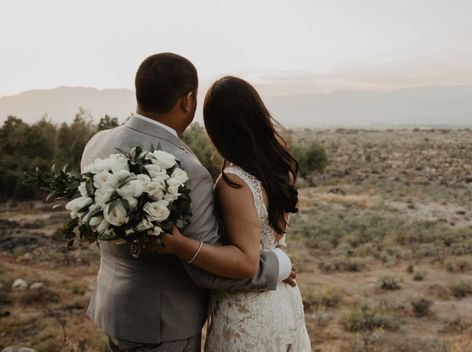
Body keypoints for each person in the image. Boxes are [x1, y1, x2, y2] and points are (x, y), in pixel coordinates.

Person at [80, 53, 293, 352]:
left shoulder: (97, 144)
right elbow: (204, 267)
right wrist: (276, 266)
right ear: (187, 100)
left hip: (114, 310)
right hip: (165, 322)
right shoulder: (186, 170)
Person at [159, 76, 312, 351]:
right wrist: (282, 263)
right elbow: (274, 242)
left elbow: (246, 262)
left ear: (218, 128)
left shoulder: (235, 183)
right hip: (283, 299)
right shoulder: (277, 169)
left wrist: (181, 245)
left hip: (249, 312)